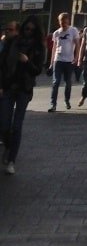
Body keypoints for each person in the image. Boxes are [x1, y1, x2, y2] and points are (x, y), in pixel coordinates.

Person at [0, 18, 45, 174]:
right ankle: (7, 145)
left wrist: (27, 62)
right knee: (4, 123)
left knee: (17, 125)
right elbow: (2, 64)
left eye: (32, 30)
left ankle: (12, 160)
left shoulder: (38, 47)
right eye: (26, 29)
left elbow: (38, 70)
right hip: (9, 86)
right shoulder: (13, 43)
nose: (28, 32)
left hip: (24, 89)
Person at [49, 12, 80, 112]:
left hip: (69, 61)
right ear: (59, 22)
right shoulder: (56, 33)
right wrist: (51, 62)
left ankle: (67, 100)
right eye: (61, 22)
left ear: (68, 21)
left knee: (68, 83)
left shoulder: (73, 30)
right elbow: (54, 48)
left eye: (65, 22)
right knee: (56, 82)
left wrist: (76, 58)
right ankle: (53, 104)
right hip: (58, 60)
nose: (63, 24)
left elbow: (77, 45)